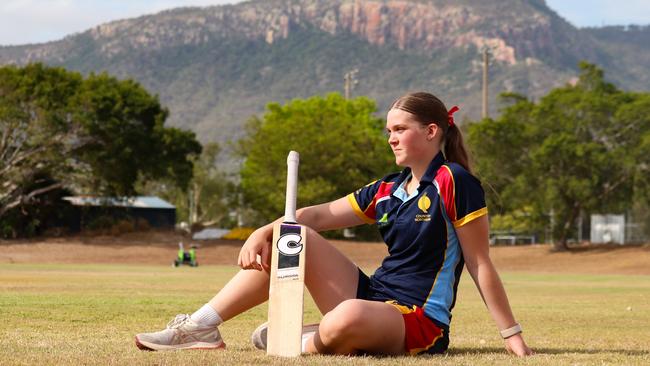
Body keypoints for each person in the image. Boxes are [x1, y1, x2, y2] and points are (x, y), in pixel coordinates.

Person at [135, 91, 533, 357]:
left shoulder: (456, 181)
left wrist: (510, 334)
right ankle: (201, 327)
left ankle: (305, 339)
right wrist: (263, 230)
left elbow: (480, 264)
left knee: (346, 319)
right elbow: (313, 217)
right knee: (292, 237)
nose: (391, 139)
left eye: (399, 130)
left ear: (431, 132)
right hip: (373, 295)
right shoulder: (387, 189)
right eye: (388, 131)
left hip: (417, 319)